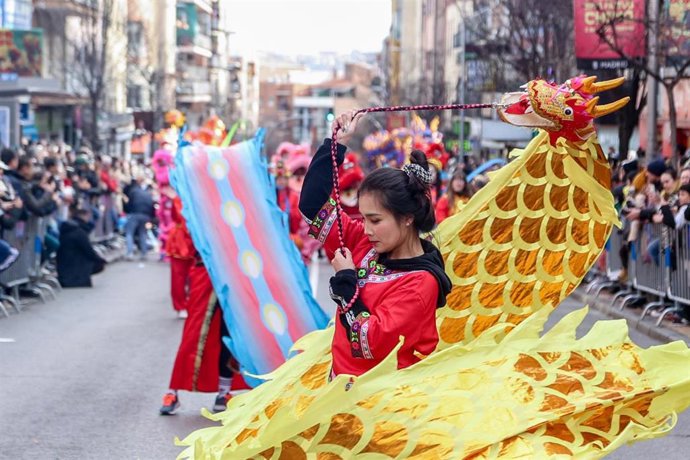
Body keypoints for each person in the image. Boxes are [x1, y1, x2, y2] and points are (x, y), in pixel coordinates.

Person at [299, 111, 451, 377]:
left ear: (406, 218)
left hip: (384, 409)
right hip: (340, 398)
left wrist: (347, 280)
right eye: (364, 218)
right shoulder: (364, 243)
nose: (366, 229)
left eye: (376, 220)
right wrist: (336, 144)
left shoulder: (420, 282)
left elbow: (369, 344)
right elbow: (312, 206)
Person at [56, 207, 106, 288]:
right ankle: (80, 279)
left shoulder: (68, 229)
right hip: (75, 266)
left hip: (64, 265)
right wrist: (101, 260)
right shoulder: (79, 232)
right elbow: (89, 250)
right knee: (97, 264)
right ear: (83, 216)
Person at [123, 171, 155, 260]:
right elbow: (151, 205)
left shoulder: (133, 191)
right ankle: (144, 253)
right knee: (143, 233)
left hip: (135, 214)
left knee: (129, 233)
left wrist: (128, 210)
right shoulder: (146, 193)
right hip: (145, 215)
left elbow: (129, 204)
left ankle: (130, 253)